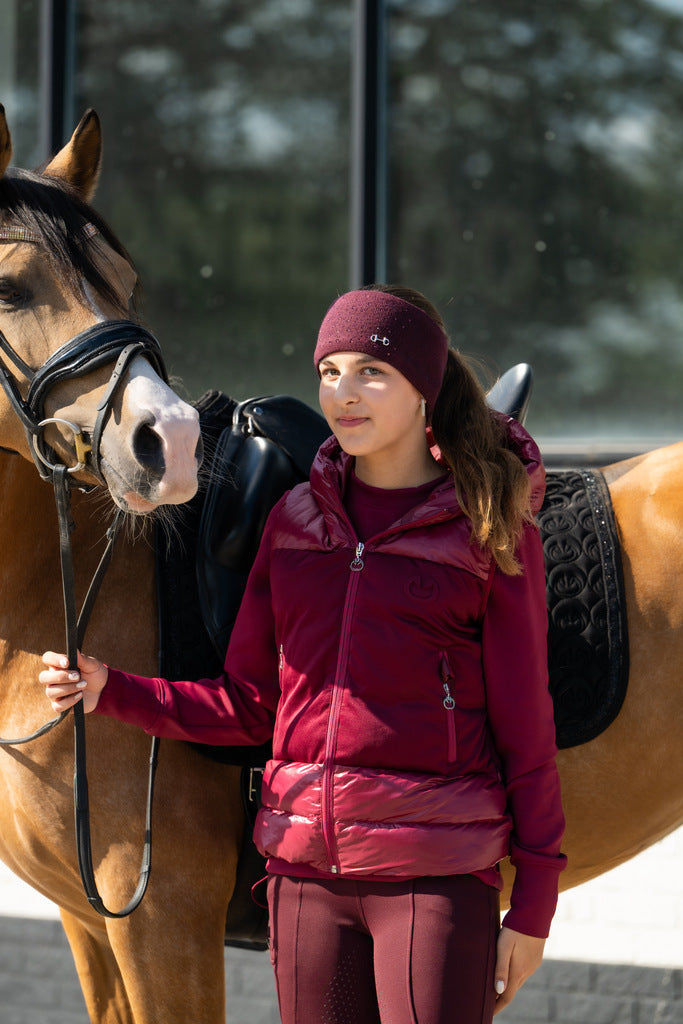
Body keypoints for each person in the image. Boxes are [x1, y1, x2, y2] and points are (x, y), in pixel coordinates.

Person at [42, 284, 566, 1024]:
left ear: (424, 387)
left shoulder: (489, 529)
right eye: (329, 371)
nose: (342, 395)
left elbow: (525, 729)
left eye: (370, 372)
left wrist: (534, 908)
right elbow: (250, 705)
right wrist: (111, 689)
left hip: (433, 878)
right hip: (302, 877)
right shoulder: (293, 523)